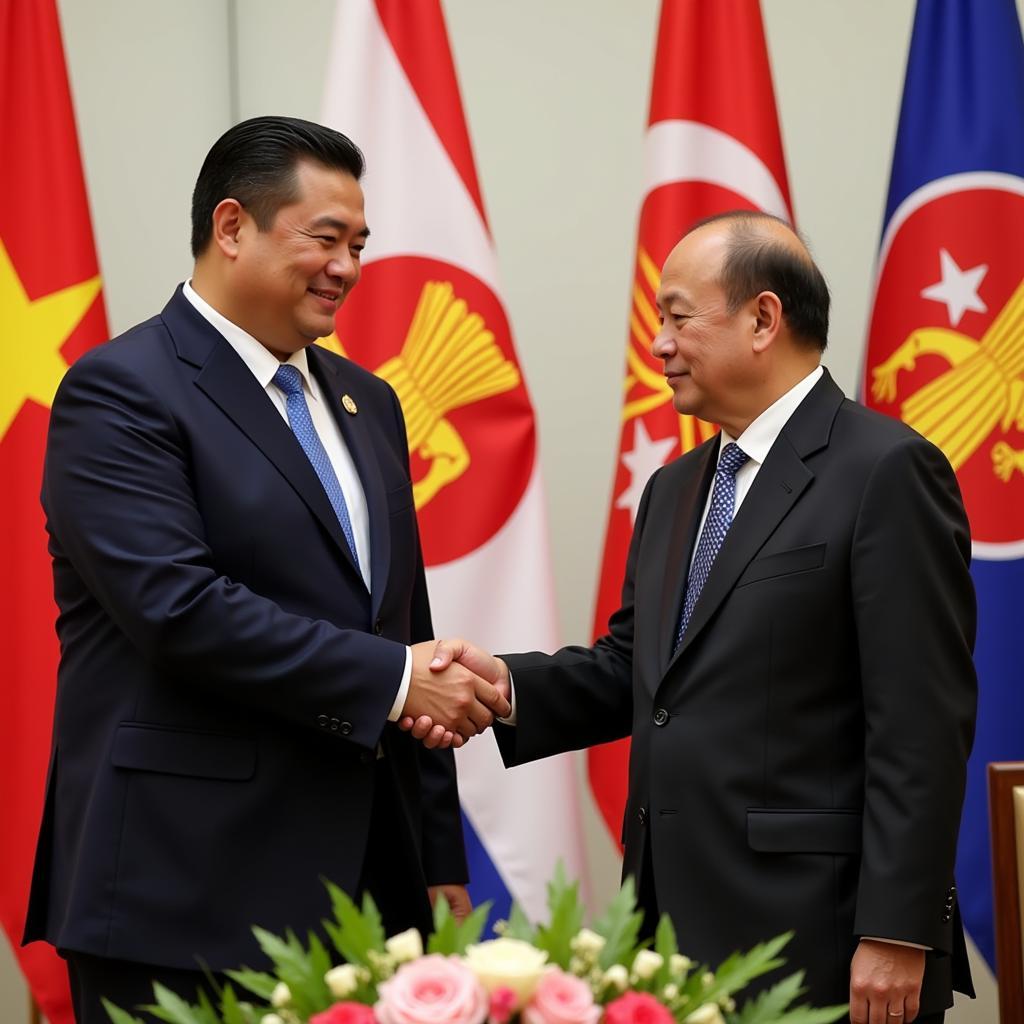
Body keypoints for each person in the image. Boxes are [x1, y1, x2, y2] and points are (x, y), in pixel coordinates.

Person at [417, 213, 977, 1024]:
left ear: (763, 319)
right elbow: (638, 669)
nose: (658, 345)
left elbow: (921, 724)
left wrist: (898, 929)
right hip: (667, 925)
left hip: (819, 935)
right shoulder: (676, 489)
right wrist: (503, 686)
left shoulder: (885, 470)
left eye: (678, 316)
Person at [24, 115, 509, 1023]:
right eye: (325, 238)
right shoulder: (120, 389)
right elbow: (179, 609)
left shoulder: (370, 403)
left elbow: (403, 629)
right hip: (186, 893)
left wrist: (438, 856)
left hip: (368, 894)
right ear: (233, 226)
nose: (349, 267)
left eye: (360, 244)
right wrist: (402, 679)